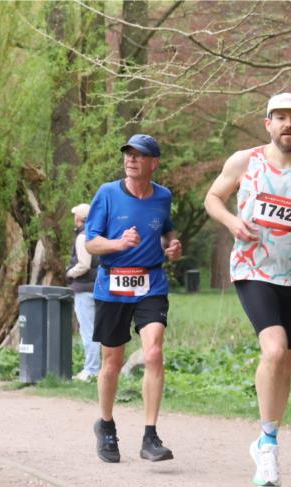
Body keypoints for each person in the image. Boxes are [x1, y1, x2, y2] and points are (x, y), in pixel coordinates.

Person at [204, 93, 291, 487]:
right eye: (280, 118)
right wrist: (233, 222)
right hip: (252, 268)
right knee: (272, 349)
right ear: (267, 123)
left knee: (285, 361)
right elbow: (212, 198)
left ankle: (266, 435)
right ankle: (268, 446)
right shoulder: (245, 161)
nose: (288, 124)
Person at [85, 134, 182, 464]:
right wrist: (117, 244)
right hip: (112, 285)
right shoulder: (107, 193)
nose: (131, 159)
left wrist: (173, 244)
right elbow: (91, 244)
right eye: (128, 154)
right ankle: (106, 425)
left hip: (151, 282)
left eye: (139, 155)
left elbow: (166, 228)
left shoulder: (163, 196)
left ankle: (150, 436)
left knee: (153, 352)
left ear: (153, 163)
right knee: (112, 361)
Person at [65, 203, 101, 382]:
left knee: (88, 331)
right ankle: (97, 369)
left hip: (84, 289)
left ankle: (91, 370)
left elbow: (83, 265)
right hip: (99, 288)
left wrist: (69, 273)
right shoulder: (99, 234)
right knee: (100, 331)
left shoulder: (83, 237)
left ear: (79, 218)